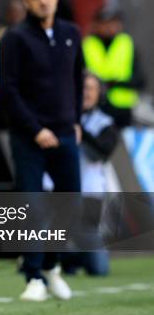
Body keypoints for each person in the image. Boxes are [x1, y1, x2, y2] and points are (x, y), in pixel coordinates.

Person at [0, 0, 84, 302]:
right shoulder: (14, 38)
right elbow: (6, 92)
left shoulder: (72, 33)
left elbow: (77, 80)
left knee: (69, 205)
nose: (43, 0)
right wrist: (36, 130)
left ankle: (51, 266)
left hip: (65, 133)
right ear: (27, 1)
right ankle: (32, 275)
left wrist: (76, 121)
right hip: (28, 137)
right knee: (31, 206)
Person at [61, 73, 117, 276]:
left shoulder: (105, 123)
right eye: (82, 88)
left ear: (99, 93)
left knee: (98, 268)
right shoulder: (60, 118)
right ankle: (65, 257)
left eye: (90, 89)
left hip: (89, 193)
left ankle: (76, 256)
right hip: (59, 192)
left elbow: (102, 152)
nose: (85, 93)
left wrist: (81, 131)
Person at [83, 7, 146, 128]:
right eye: (105, 23)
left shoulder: (126, 43)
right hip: (96, 110)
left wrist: (116, 83)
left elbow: (140, 79)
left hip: (124, 109)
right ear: (97, 24)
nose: (109, 27)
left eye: (113, 22)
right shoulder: (87, 45)